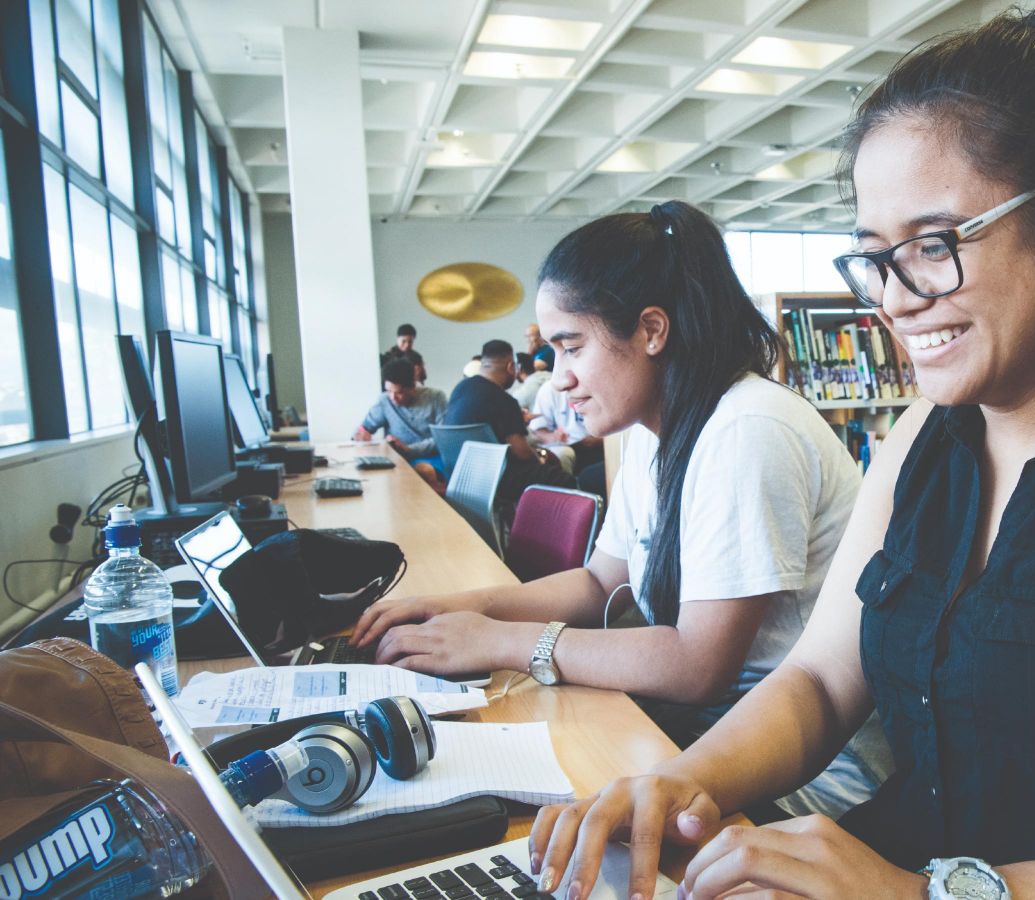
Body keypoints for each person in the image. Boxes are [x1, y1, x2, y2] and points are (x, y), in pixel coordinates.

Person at [526, 10, 1035, 900]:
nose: (897, 299)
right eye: (877, 257)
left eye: (935, 243)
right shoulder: (920, 435)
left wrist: (929, 895)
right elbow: (823, 681)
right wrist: (683, 783)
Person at [351, 200, 885, 821]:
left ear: (652, 330)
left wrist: (502, 641)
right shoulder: (657, 434)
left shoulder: (746, 428)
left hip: (802, 780)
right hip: (713, 729)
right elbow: (602, 580)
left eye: (571, 347)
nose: (557, 380)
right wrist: (461, 608)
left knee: (515, 812)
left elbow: (696, 665)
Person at [441, 340, 564, 494]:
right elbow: (522, 452)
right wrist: (540, 460)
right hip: (496, 480)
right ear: (511, 367)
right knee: (559, 476)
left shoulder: (460, 388)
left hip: (459, 476)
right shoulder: (504, 400)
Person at [354, 358, 448, 485]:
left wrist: (409, 450)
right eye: (389, 391)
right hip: (398, 459)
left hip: (431, 458)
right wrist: (361, 434)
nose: (393, 398)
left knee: (424, 471)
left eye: (399, 392)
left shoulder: (436, 398)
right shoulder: (384, 400)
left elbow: (443, 439)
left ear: (413, 387)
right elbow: (365, 428)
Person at [527, 378, 601, 475]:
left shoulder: (599, 385)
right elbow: (538, 432)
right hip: (566, 445)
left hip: (597, 445)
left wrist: (601, 440)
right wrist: (554, 437)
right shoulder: (549, 389)